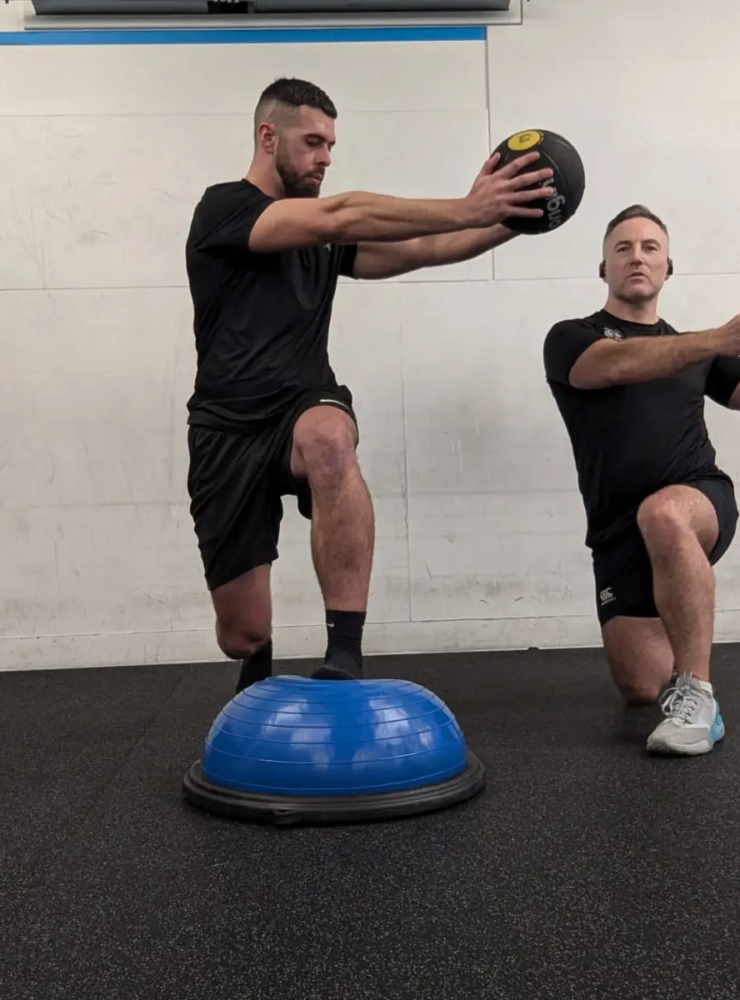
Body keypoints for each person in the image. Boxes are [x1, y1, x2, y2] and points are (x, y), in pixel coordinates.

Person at [185, 76, 556, 691]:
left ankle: (345, 653)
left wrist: (515, 215)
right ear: (267, 135)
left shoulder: (327, 240)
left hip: (300, 408)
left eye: (331, 144)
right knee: (241, 633)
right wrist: (468, 203)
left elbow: (431, 248)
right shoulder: (223, 209)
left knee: (330, 435)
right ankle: (257, 666)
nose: (326, 157)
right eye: (312, 142)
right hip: (224, 430)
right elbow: (341, 214)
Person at [543, 204, 740, 755]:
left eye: (650, 247)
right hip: (615, 530)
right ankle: (681, 684)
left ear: (668, 266)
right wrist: (717, 339)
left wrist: (716, 345)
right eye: (623, 248)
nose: (637, 257)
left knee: (665, 514)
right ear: (602, 268)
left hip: (699, 496)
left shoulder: (699, 349)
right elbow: (616, 365)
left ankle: (699, 694)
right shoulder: (570, 338)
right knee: (641, 687)